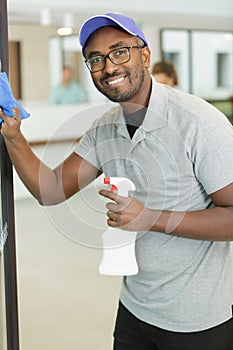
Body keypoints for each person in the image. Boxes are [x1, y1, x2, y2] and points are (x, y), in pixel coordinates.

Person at [1, 12, 233, 350]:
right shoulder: (104, 128)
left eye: (120, 50)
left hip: (197, 320)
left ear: (146, 55)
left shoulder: (199, 122)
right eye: (95, 59)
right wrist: (14, 135)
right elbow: (50, 190)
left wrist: (149, 218)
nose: (109, 67)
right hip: (135, 310)